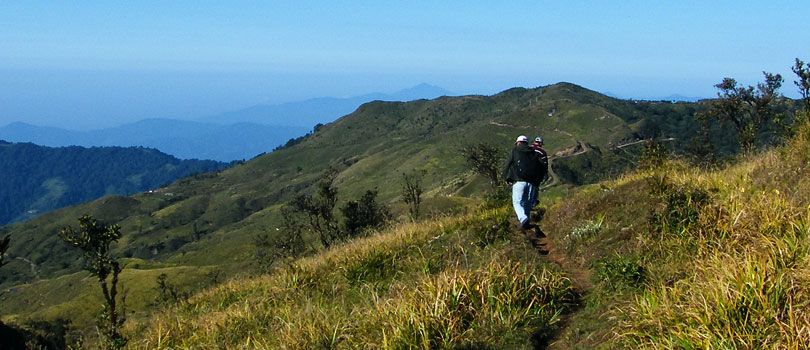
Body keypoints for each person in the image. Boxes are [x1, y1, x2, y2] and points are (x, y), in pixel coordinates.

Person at [502, 135, 546, 230]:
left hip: (519, 182)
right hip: (531, 183)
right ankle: (526, 223)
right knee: (527, 203)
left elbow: (508, 164)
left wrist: (506, 178)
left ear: (518, 143)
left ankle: (523, 218)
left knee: (517, 202)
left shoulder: (515, 151)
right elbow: (541, 166)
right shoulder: (533, 152)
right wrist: (538, 181)